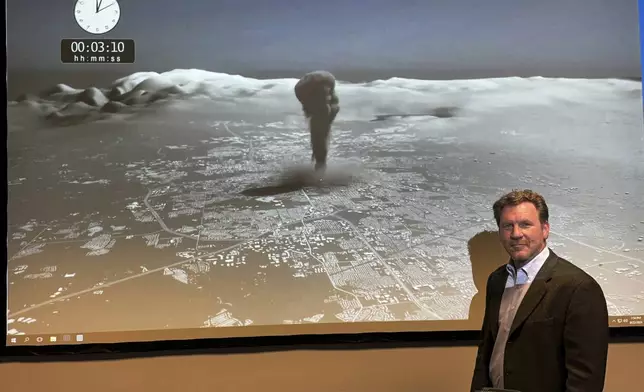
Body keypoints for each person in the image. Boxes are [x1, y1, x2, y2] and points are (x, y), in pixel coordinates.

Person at [470, 189, 609, 392]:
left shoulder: (579, 288)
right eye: (508, 226)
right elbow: (486, 353)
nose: (516, 234)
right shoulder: (496, 280)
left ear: (545, 229)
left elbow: (586, 379)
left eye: (525, 224)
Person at [294, 70, 340, 172]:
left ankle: (319, 163)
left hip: (308, 86)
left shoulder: (314, 97)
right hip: (319, 81)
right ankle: (320, 164)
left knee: (319, 129)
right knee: (321, 129)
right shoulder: (323, 97)